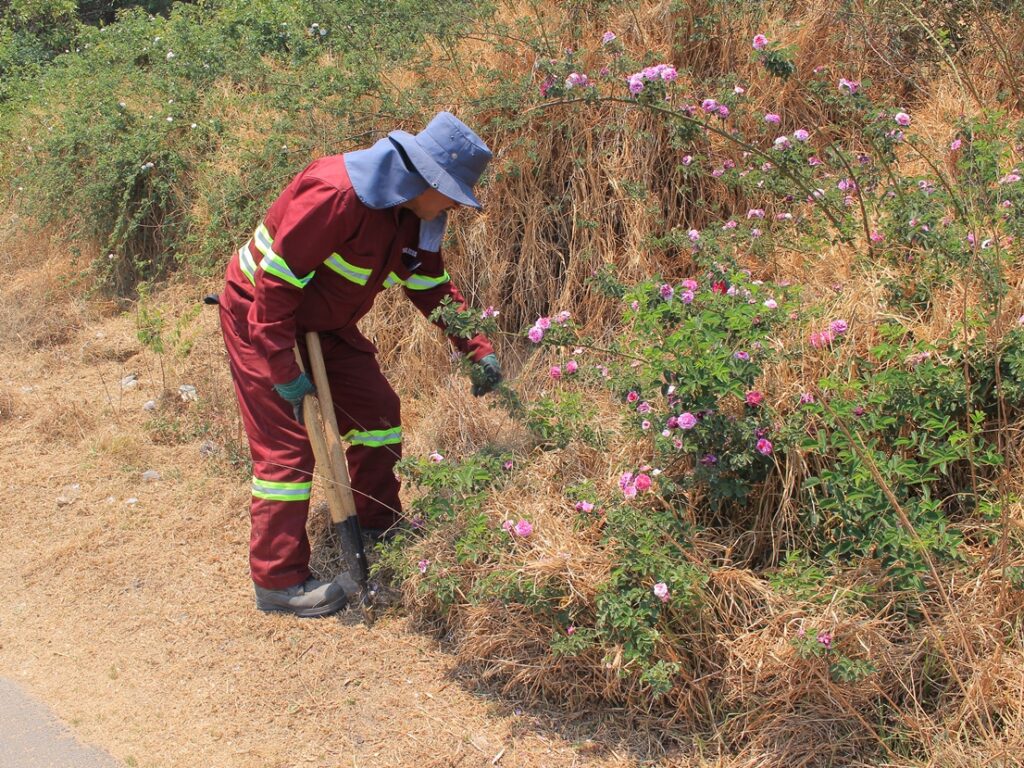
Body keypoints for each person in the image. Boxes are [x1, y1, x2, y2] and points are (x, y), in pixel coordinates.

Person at [218, 112, 502, 617]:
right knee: (288, 445)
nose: (455, 205)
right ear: (425, 176)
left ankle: (376, 523)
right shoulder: (337, 194)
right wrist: (284, 370)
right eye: (453, 192)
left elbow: (428, 284)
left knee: (376, 411)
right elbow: (276, 287)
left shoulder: (423, 216)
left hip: (325, 324)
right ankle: (278, 582)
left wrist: (475, 347)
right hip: (260, 315)